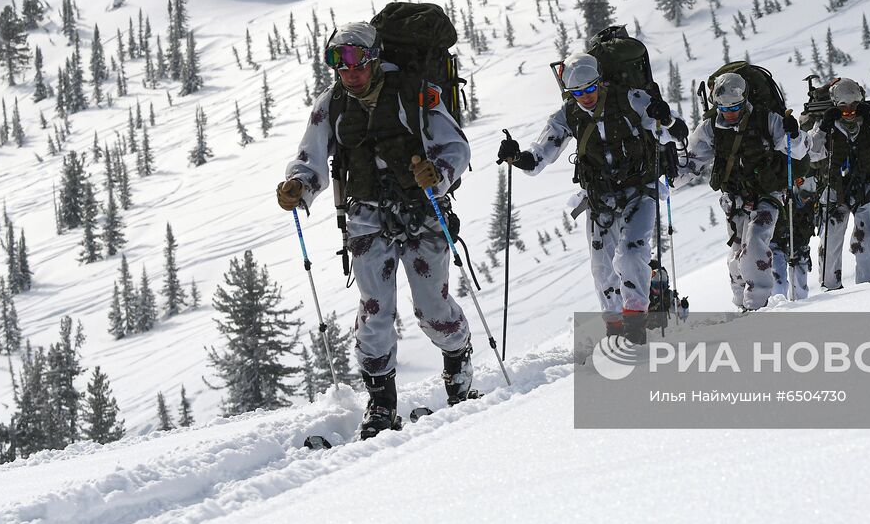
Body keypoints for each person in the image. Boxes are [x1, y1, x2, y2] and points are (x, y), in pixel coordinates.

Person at [275, 22, 473, 440]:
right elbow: (310, 159)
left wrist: (435, 173)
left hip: (422, 215)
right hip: (365, 220)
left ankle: (458, 364)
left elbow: (456, 147)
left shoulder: (415, 93)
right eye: (336, 61)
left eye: (353, 60)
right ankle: (381, 404)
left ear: (373, 58)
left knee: (432, 311)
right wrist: (298, 185)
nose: (346, 70)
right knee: (374, 313)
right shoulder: (331, 105)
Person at [498, 53, 684, 343]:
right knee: (602, 267)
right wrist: (516, 157)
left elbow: (674, 135)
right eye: (577, 93)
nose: (585, 97)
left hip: (640, 191)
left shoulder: (630, 99)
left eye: (590, 89)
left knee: (633, 253)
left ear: (601, 82)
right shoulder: (567, 116)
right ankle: (614, 327)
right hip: (600, 198)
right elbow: (538, 159)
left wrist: (667, 118)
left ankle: (635, 326)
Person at [683, 71, 807, 311]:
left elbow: (799, 151)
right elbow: (692, 162)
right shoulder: (710, 128)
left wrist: (794, 133)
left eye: (735, 107)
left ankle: (757, 307)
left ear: (745, 100)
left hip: (768, 195)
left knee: (756, 245)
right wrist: (668, 173)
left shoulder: (766, 120)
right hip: (734, 199)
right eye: (723, 109)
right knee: (737, 256)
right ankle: (741, 305)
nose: (729, 114)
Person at [806, 78, 870, 291]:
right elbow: (810, 153)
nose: (849, 111)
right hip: (833, 191)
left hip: (865, 188)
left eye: (853, 106)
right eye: (843, 106)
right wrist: (823, 127)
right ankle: (830, 290)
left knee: (868, 240)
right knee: (830, 244)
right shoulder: (826, 124)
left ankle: (868, 290)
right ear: (835, 104)